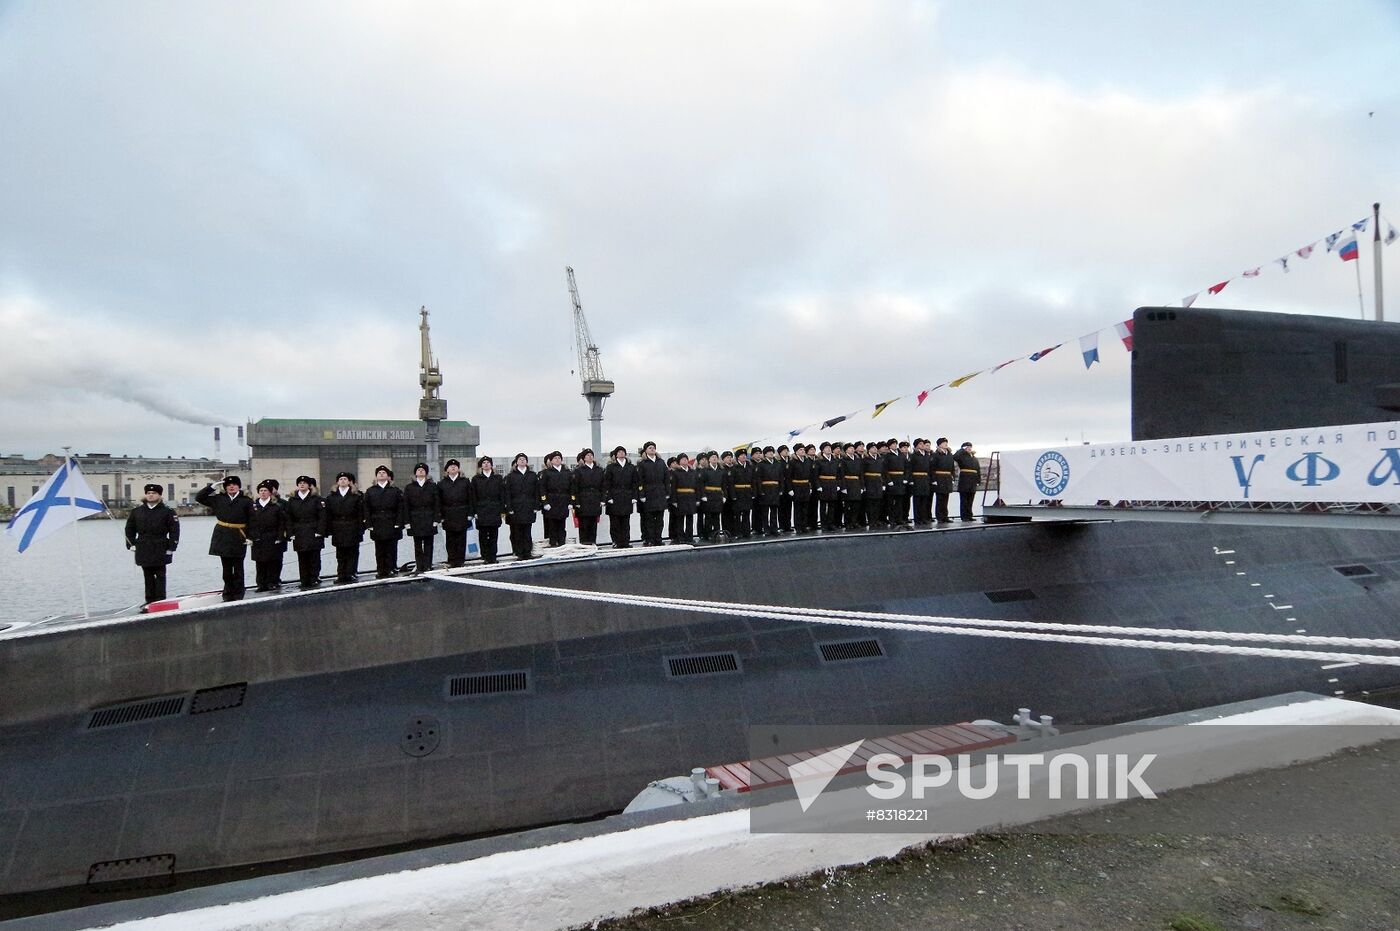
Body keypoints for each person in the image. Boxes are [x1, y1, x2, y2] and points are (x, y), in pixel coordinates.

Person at [195, 476, 255, 601]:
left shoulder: (246, 501)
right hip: (222, 535)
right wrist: (211, 487)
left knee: (238, 567)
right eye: (228, 485)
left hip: (239, 536)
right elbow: (199, 497)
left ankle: (239, 593)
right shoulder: (218, 499)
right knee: (226, 568)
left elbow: (253, 520)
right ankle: (228, 592)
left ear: (239, 486)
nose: (231, 487)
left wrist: (251, 537)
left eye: (234, 484)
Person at [124, 482, 179, 602]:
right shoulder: (137, 511)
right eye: (148, 493)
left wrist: (171, 547)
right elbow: (129, 529)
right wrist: (131, 544)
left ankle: (160, 599)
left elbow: (174, 530)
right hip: (143, 546)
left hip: (160, 545)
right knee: (147, 574)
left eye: (154, 493)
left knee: (160, 574)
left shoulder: (167, 511)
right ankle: (149, 600)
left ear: (159, 495)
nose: (151, 495)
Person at [285, 475, 326, 588]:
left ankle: (313, 578)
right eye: (300, 483)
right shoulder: (293, 500)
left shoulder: (316, 499)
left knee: (314, 557)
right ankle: (304, 579)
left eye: (304, 483)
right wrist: (291, 533)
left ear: (309, 485)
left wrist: (320, 531)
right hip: (299, 531)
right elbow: (288, 518)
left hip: (313, 530)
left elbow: (322, 517)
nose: (302, 484)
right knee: (302, 557)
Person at [247, 479, 289, 592]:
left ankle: (272, 582)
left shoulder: (276, 507)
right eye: (261, 490)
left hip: (272, 537)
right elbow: (250, 523)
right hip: (258, 538)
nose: (263, 492)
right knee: (260, 563)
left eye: (265, 490)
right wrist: (250, 537)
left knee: (273, 562)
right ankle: (261, 584)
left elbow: (282, 524)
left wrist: (280, 537)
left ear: (270, 493)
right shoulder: (253, 507)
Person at [364, 465, 406, 578]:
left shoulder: (395, 491)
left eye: (384, 473)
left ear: (388, 476)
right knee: (379, 548)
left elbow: (400, 508)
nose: (381, 474)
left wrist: (399, 522)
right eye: (379, 473)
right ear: (376, 476)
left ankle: (391, 567)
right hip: (377, 522)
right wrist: (368, 524)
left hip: (391, 521)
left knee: (391, 547)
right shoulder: (370, 491)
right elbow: (366, 509)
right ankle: (381, 569)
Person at [324, 471, 365, 583]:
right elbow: (328, 514)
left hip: (352, 526)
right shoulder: (331, 497)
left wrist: (361, 528)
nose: (343, 481)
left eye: (345, 479)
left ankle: (350, 573)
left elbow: (360, 514)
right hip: (338, 527)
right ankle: (341, 574)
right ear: (337, 482)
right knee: (340, 553)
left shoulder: (355, 497)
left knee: (351, 551)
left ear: (349, 482)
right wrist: (328, 530)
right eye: (341, 479)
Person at [404, 462, 440, 572]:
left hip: (429, 518)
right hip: (415, 519)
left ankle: (428, 564)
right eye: (418, 470)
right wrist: (407, 521)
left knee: (429, 543)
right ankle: (420, 565)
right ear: (415, 473)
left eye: (423, 470)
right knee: (418, 544)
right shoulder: (409, 487)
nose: (420, 471)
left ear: (426, 473)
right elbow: (406, 505)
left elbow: (436, 503)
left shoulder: (432, 486)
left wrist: (436, 519)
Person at [438, 458, 474, 568]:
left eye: (455, 466)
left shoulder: (465, 482)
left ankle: (460, 560)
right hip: (448, 515)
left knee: (461, 539)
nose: (453, 467)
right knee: (450, 539)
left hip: (462, 514)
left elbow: (471, 498)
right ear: (447, 470)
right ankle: (452, 560)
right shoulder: (441, 484)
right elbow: (438, 501)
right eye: (450, 466)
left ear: (458, 469)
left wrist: (470, 513)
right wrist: (440, 516)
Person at [504, 453, 539, 560]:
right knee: (518, 532)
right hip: (516, 507)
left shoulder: (532, 475)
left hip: (529, 506)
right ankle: (519, 553)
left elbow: (536, 491)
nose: (522, 461)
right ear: (516, 462)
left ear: (527, 462)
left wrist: (536, 505)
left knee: (527, 531)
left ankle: (527, 552)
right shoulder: (511, 476)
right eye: (520, 459)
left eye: (524, 459)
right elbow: (507, 493)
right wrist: (509, 507)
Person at [471, 456, 505, 563]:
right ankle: (485, 556)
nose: (486, 464)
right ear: (481, 466)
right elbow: (473, 496)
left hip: (494, 510)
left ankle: (493, 556)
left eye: (488, 462)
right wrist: (475, 511)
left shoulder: (498, 478)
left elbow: (502, 495)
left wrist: (502, 510)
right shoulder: (476, 479)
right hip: (482, 510)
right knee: (483, 535)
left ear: (491, 465)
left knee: (494, 534)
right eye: (484, 462)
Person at [601, 445, 637, 548]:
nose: (621, 453)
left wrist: (634, 496)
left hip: (626, 496)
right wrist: (608, 497)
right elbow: (606, 483)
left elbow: (635, 482)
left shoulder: (631, 467)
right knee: (615, 522)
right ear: (615, 455)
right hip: (614, 497)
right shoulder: (611, 467)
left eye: (623, 452)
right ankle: (616, 541)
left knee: (626, 521)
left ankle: (626, 541)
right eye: (619, 452)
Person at [635, 441, 669, 546]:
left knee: (659, 518)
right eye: (650, 448)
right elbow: (640, 480)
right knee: (649, 519)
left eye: (653, 447)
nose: (652, 449)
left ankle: (658, 538)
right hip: (649, 493)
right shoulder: (643, 464)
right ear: (646, 450)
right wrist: (642, 494)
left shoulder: (661, 462)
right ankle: (650, 539)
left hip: (660, 493)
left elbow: (666, 478)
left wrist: (667, 492)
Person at [570, 449, 604, 545]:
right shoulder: (579, 471)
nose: (590, 457)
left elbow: (603, 486)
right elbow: (575, 487)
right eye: (587, 455)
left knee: (593, 523)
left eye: (591, 455)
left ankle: (593, 543)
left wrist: (602, 499)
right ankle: (584, 544)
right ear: (584, 458)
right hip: (583, 500)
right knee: (584, 524)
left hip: (595, 499)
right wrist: (576, 501)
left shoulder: (599, 470)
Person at [539, 451, 571, 547]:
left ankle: (562, 544)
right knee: (552, 526)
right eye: (555, 458)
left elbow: (571, 488)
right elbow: (542, 489)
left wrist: (571, 501)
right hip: (551, 502)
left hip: (563, 501)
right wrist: (545, 502)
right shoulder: (546, 473)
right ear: (551, 461)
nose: (557, 460)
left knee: (562, 525)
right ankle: (553, 544)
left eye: (559, 458)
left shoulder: (567, 472)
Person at [668, 452, 699, 543]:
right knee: (680, 519)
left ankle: (689, 537)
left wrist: (697, 498)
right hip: (680, 497)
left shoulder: (693, 472)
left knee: (690, 518)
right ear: (679, 462)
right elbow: (673, 487)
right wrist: (674, 500)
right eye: (682, 459)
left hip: (691, 497)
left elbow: (697, 486)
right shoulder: (675, 473)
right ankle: (680, 537)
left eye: (686, 458)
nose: (685, 460)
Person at [697, 451, 725, 541]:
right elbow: (701, 484)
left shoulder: (721, 471)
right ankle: (707, 534)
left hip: (718, 495)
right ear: (709, 459)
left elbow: (724, 484)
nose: (714, 458)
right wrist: (703, 495)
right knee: (708, 516)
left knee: (717, 516)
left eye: (715, 457)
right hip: (708, 495)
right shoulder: (704, 471)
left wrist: (724, 496)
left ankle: (716, 533)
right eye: (712, 457)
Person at [728, 449, 755, 538]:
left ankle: (746, 532)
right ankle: (738, 532)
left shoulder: (750, 467)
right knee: (737, 514)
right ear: (737, 457)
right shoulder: (734, 468)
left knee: (747, 513)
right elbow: (731, 483)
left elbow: (753, 481)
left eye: (744, 455)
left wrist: (753, 492)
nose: (744, 456)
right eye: (741, 455)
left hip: (747, 493)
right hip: (738, 493)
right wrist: (733, 495)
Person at [787, 443, 812, 533]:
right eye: (800, 450)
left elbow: (810, 475)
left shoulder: (807, 461)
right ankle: (798, 527)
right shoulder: (792, 462)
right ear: (796, 451)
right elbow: (788, 477)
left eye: (803, 449)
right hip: (796, 486)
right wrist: (790, 489)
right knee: (798, 508)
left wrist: (810, 487)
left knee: (805, 508)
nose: (803, 451)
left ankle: (804, 526)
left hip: (805, 486)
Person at [908, 438, 933, 528]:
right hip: (917, 478)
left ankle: (924, 518)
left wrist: (930, 479)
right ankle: (918, 519)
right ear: (917, 445)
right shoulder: (914, 455)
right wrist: (911, 480)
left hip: (925, 479)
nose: (923, 445)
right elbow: (909, 468)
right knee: (917, 500)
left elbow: (930, 469)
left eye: (923, 443)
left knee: (925, 500)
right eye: (921, 444)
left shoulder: (927, 455)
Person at [954, 441, 981, 522]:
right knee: (964, 500)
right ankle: (964, 516)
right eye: (967, 447)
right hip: (965, 480)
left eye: (970, 447)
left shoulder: (974, 458)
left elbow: (978, 470)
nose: (969, 448)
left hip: (973, 481)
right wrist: (962, 450)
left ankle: (969, 515)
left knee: (970, 500)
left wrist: (978, 480)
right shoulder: (961, 456)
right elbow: (955, 457)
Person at [932, 437, 956, 524]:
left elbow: (952, 467)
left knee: (946, 498)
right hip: (939, 477)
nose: (946, 444)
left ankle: (945, 516)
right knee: (940, 499)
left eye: (946, 442)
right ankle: (940, 517)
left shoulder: (949, 454)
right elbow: (932, 468)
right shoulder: (936, 455)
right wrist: (934, 479)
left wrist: (953, 476)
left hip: (947, 478)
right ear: (939, 444)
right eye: (944, 442)